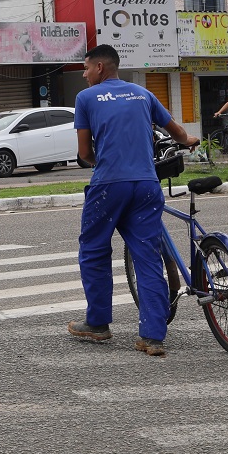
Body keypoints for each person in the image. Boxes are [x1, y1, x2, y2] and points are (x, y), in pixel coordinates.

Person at [68, 44, 198, 356]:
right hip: (146, 185)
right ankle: (152, 336)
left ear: (100, 68)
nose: (84, 75)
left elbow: (85, 153)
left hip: (109, 185)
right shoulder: (143, 94)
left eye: (86, 68)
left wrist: (103, 162)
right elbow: (177, 131)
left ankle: (98, 324)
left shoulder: (86, 98)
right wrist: (190, 140)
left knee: (94, 250)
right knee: (148, 257)